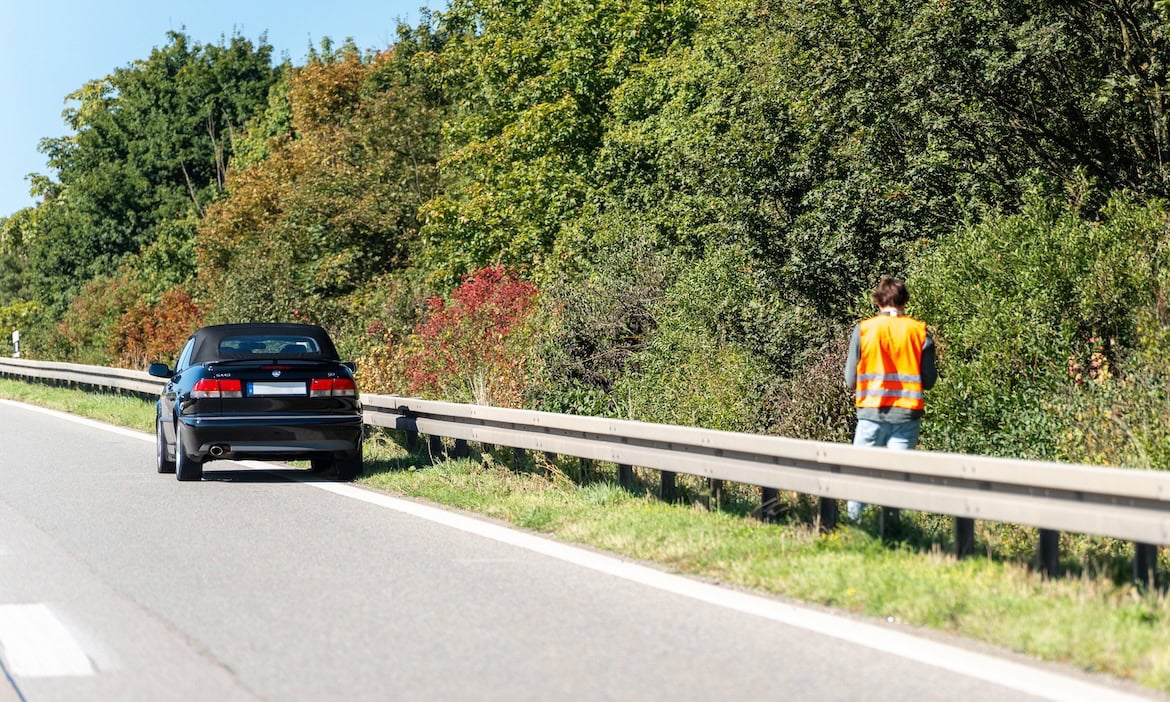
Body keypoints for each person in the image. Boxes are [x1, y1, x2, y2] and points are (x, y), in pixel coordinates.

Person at [843, 276, 937, 523]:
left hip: (871, 413)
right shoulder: (919, 331)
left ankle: (855, 524)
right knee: (898, 478)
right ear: (904, 301)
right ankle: (893, 528)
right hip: (906, 415)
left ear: (877, 300)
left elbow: (850, 379)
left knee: (860, 475)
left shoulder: (864, 330)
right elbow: (928, 380)